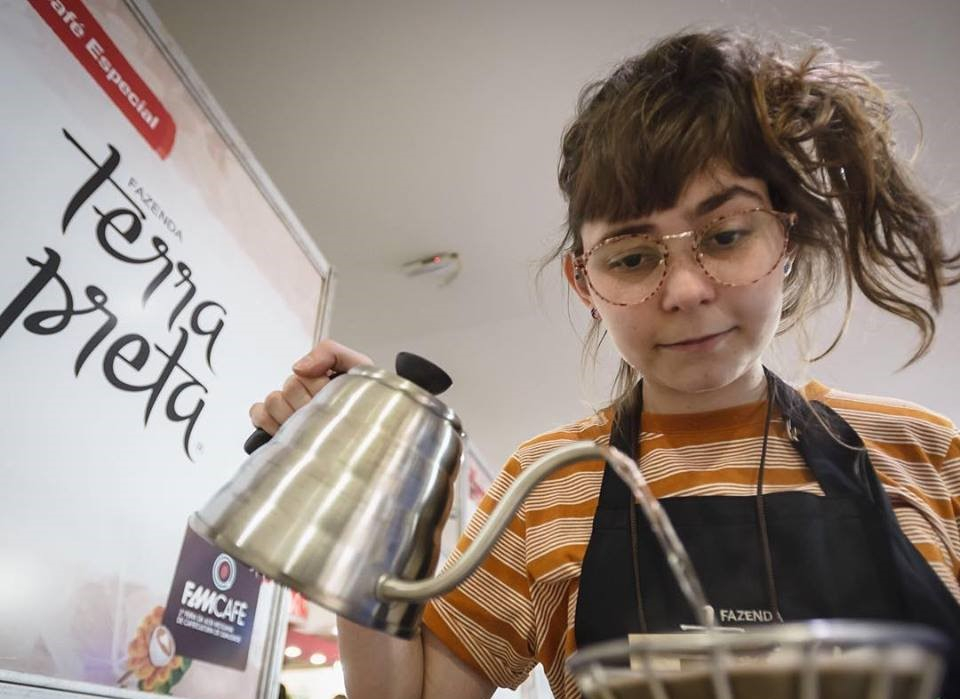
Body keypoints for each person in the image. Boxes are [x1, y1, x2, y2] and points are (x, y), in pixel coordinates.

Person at [250, 30, 960, 699]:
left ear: (786, 237)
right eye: (632, 256)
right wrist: (367, 510)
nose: (685, 289)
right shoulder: (548, 485)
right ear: (586, 284)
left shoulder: (925, 453)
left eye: (726, 234)